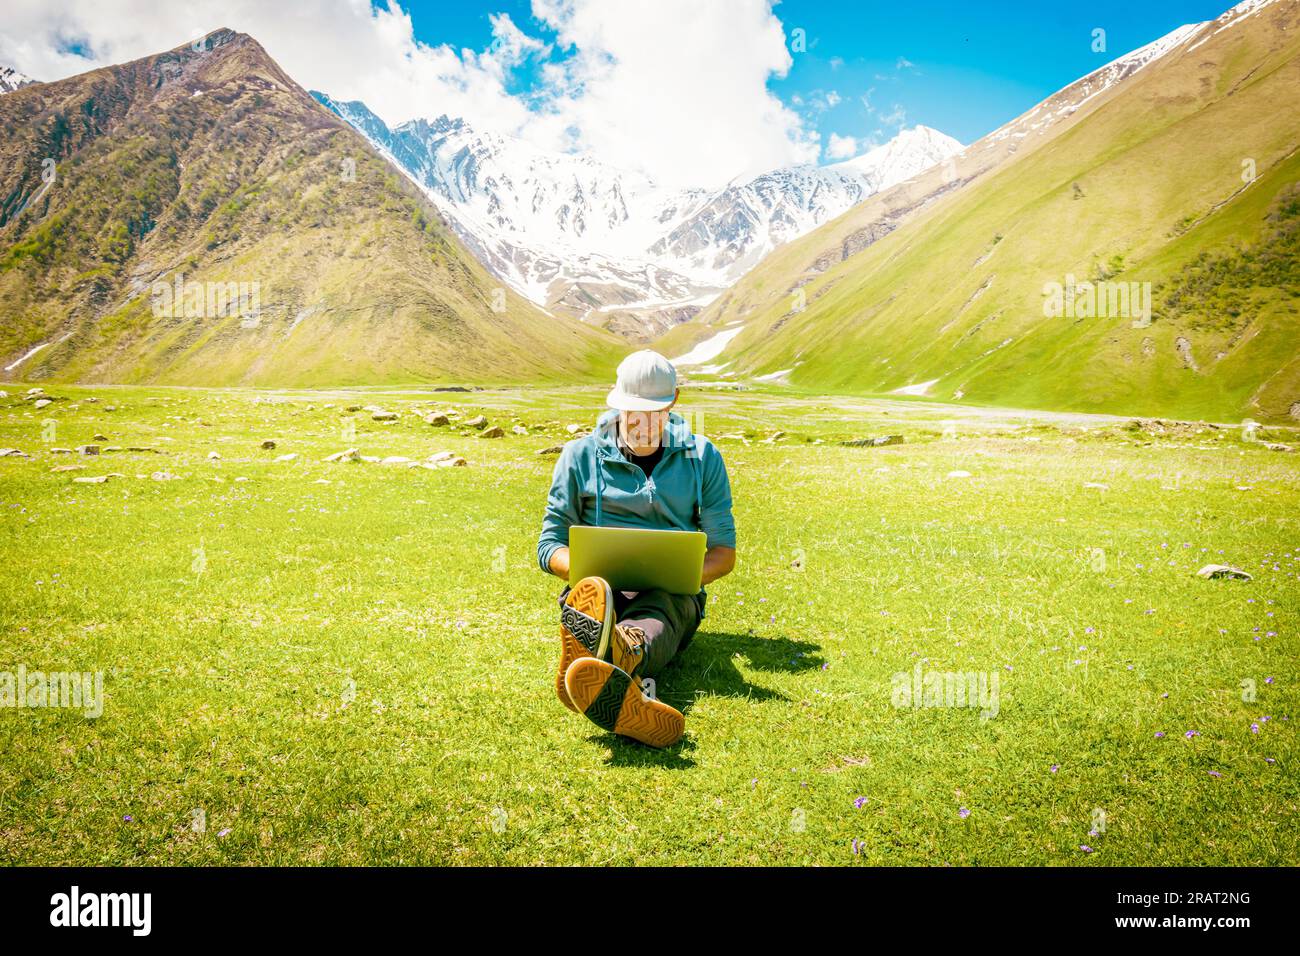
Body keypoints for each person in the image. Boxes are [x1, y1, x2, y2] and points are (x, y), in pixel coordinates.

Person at [537, 349, 737, 747]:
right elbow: (549, 545)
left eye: (655, 412)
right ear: (615, 402)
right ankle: (618, 662)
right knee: (600, 597)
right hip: (599, 594)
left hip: (671, 595)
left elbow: (723, 553)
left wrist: (683, 575)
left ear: (674, 402)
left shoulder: (703, 457)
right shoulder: (578, 456)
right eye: (632, 411)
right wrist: (586, 571)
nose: (642, 423)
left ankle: (615, 652)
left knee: (663, 603)